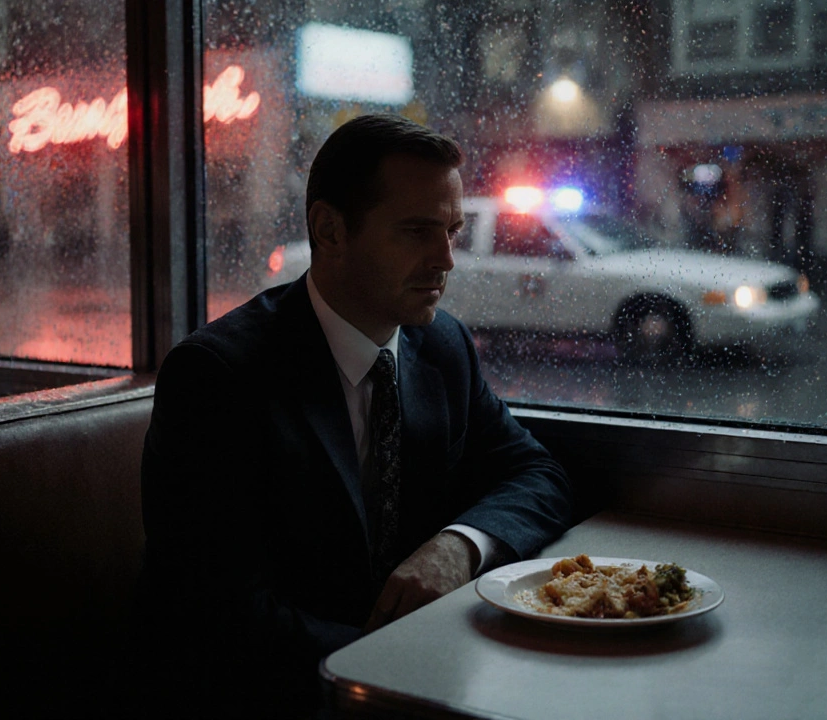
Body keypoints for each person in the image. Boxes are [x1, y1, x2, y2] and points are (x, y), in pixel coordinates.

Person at [136, 114, 574, 718]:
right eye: (418, 231)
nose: (447, 260)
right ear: (330, 230)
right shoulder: (219, 378)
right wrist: (404, 663)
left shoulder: (440, 346)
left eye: (453, 230)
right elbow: (219, 615)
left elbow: (536, 474)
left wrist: (458, 545)